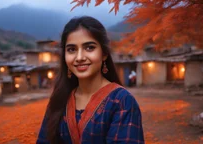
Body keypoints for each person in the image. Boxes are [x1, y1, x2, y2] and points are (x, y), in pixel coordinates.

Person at [36, 16, 144, 144]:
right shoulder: (60, 99)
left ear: (104, 54)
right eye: (71, 50)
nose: (80, 57)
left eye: (89, 48)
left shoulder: (121, 101)